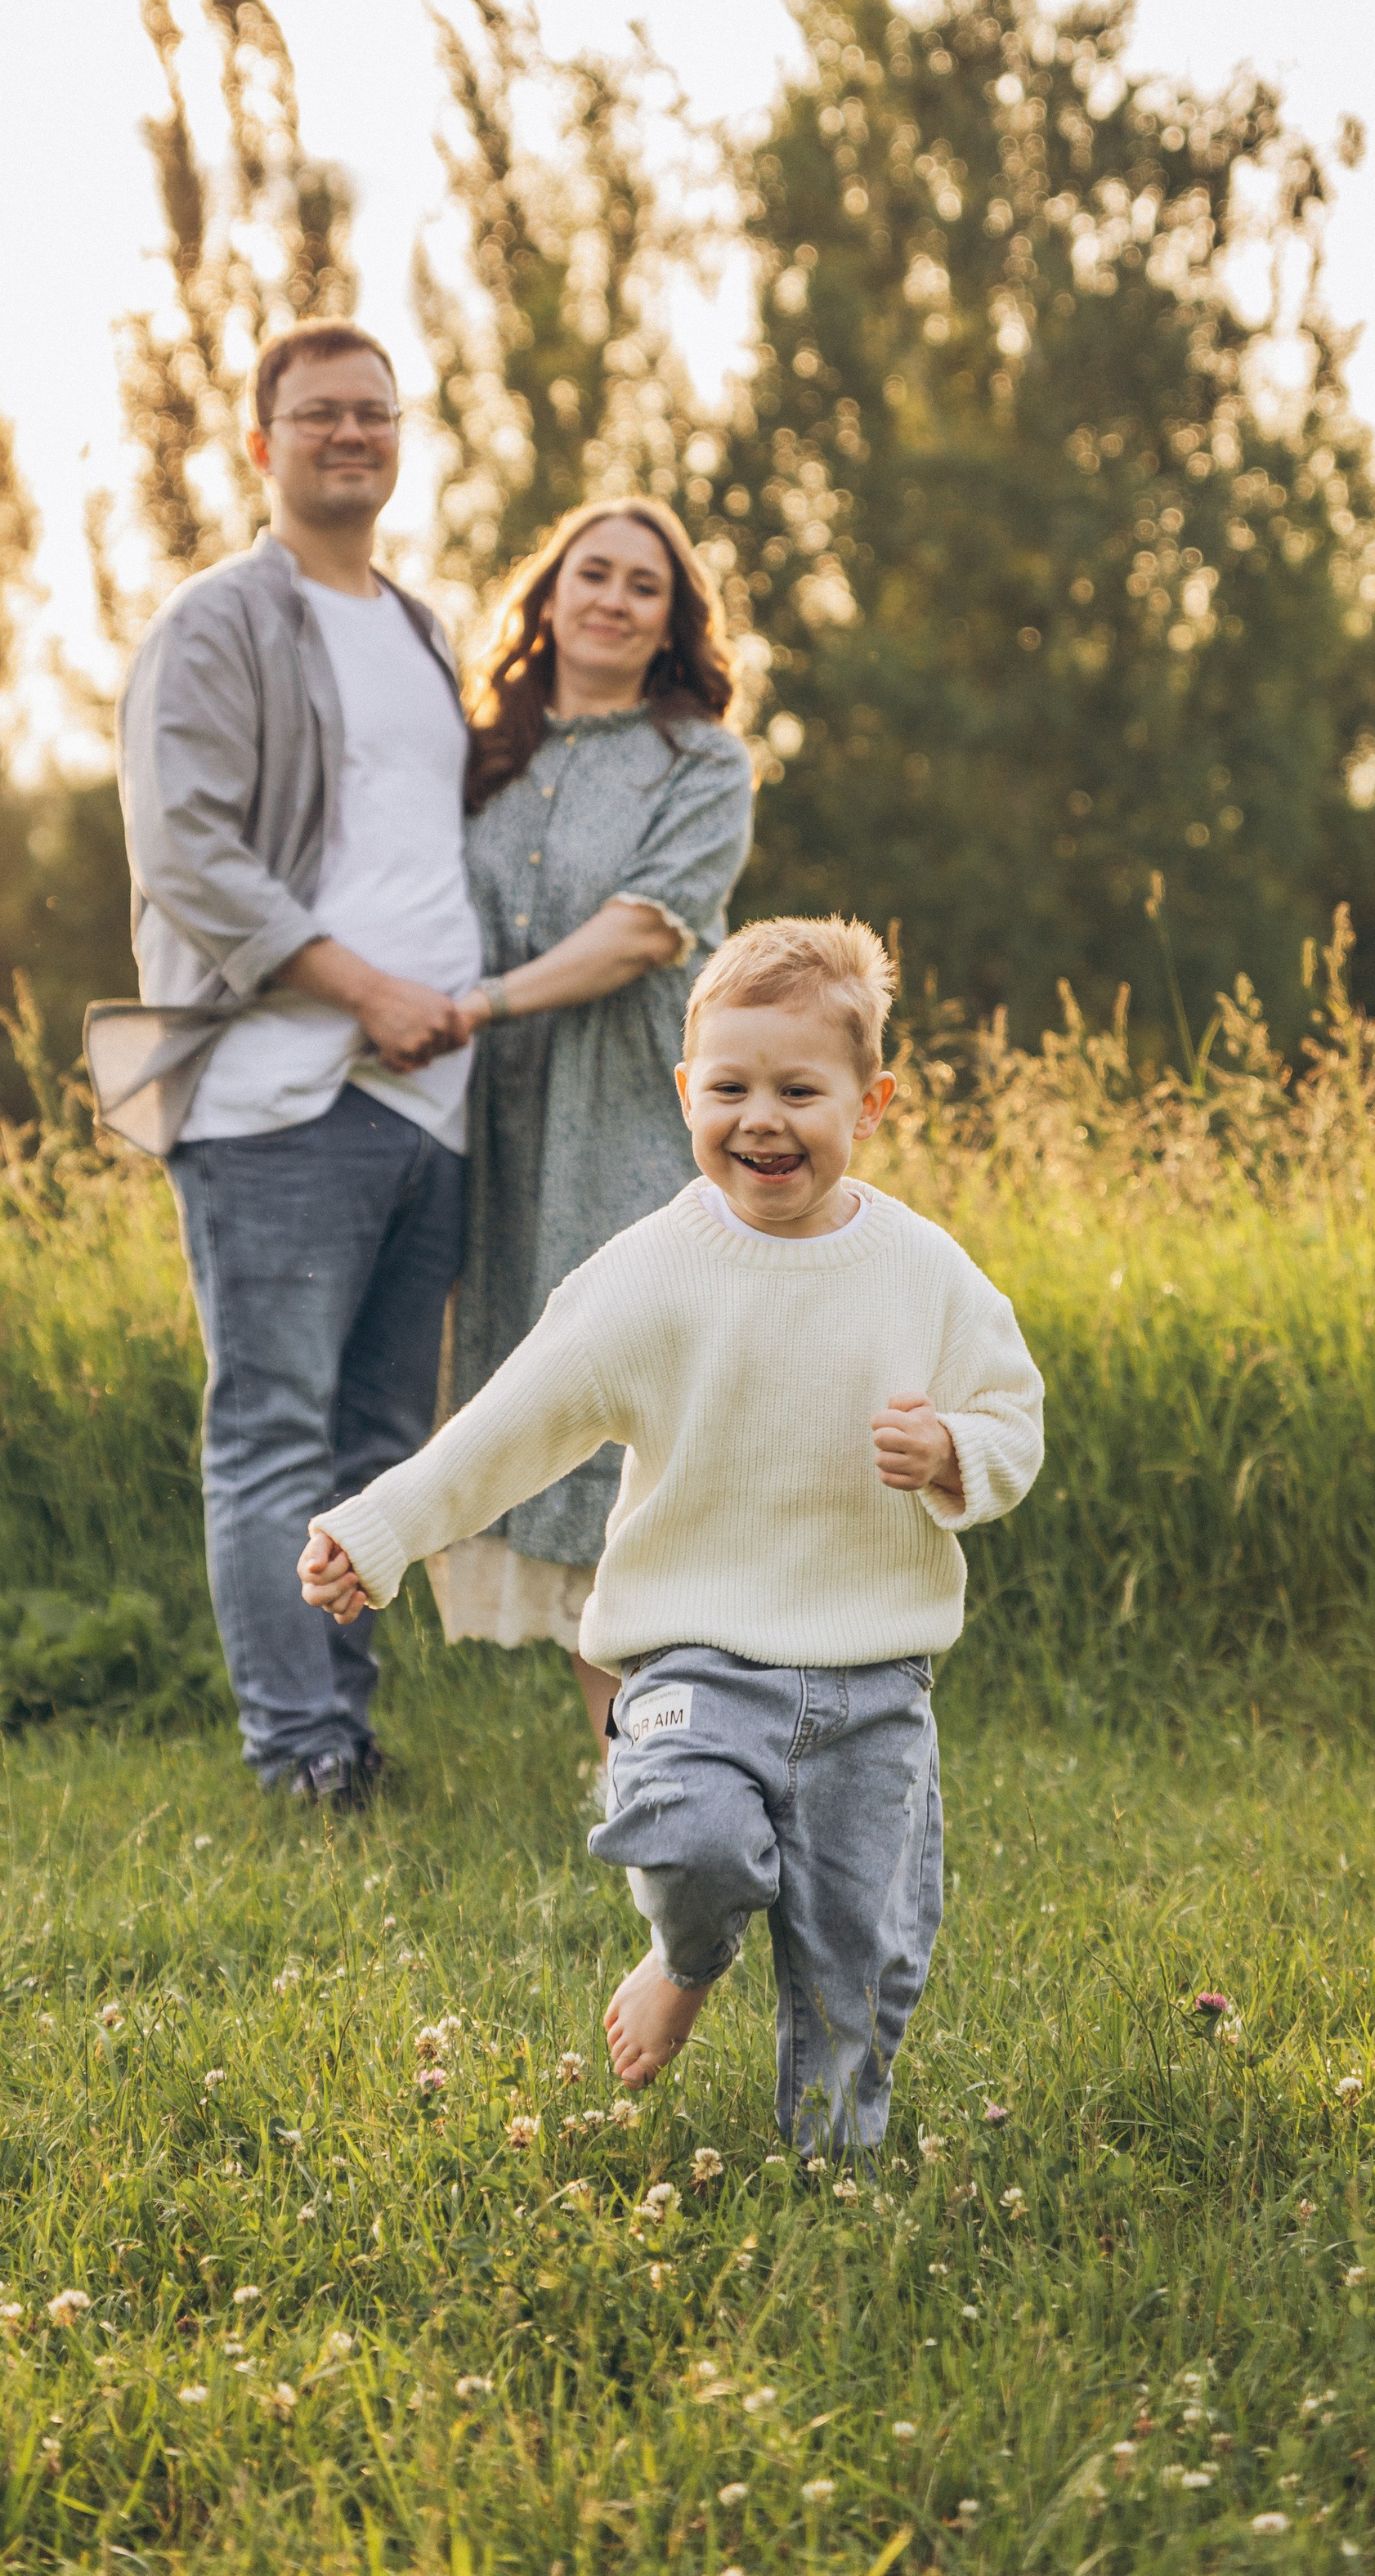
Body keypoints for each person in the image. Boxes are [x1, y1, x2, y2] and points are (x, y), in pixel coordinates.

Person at [298, 916, 1045, 2154]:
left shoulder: (927, 1273)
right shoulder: (651, 1274)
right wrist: (378, 1531)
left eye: (802, 1090)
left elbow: (1014, 1418)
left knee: (863, 1958)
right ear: (686, 1091)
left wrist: (959, 1453)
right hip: (693, 1663)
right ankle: (684, 1962)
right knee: (691, 1838)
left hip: (874, 1681)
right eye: (733, 1088)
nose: (764, 1120)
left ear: (874, 1102)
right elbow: (508, 1428)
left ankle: (836, 2172)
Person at [105, 319, 481, 1808]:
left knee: (380, 1444)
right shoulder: (215, 625)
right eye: (319, 413)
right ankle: (299, 1754)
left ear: (400, 441)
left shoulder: (424, 626)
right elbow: (185, 851)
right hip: (276, 1092)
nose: (351, 435)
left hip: (429, 1099)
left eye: (375, 414)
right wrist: (364, 989)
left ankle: (347, 1730)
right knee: (272, 1430)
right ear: (260, 445)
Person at [431, 499, 754, 1756]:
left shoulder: (700, 760)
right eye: (594, 575)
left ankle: (675, 1769)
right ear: (548, 597)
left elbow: (643, 931)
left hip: (627, 1109)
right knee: (549, 1408)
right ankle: (632, 1773)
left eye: (646, 586)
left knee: (641, 1408)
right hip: (503, 1124)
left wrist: (482, 1002)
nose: (615, 600)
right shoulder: (483, 755)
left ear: (674, 622)